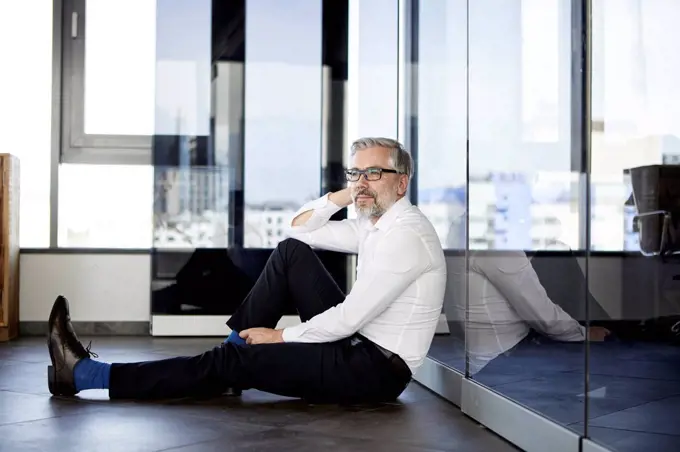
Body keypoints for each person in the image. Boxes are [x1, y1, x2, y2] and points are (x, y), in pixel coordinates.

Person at [46, 137, 447, 403]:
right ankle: (233, 353)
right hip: (356, 342)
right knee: (291, 252)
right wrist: (344, 194)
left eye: (373, 174)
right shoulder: (374, 225)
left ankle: (84, 375)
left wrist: (278, 336)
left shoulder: (405, 236)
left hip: (373, 371)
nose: (363, 183)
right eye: (356, 174)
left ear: (402, 184)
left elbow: (348, 318)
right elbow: (299, 229)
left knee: (228, 364)